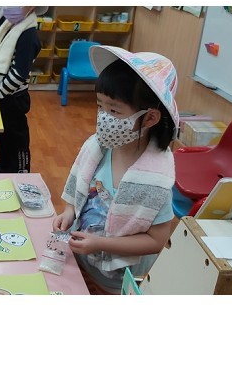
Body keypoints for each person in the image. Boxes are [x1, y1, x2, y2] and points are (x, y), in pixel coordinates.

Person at [52, 45, 179, 294]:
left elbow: (157, 240)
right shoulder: (97, 149)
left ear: (150, 118)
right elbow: (78, 193)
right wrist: (68, 213)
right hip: (79, 263)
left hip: (116, 281)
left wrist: (101, 244)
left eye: (113, 110)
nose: (103, 117)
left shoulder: (156, 179)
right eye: (100, 106)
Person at [0, 6, 45, 174]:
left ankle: (20, 172)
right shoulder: (9, 26)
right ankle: (5, 166)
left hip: (14, 99)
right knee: (4, 138)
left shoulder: (28, 36)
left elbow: (18, 75)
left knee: (16, 140)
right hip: (2, 97)